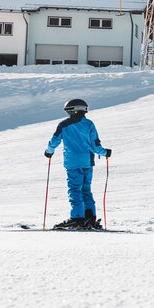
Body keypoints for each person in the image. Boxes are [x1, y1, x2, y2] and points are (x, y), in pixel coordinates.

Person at [44, 98, 111, 230]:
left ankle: (77, 218)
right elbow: (95, 144)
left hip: (73, 162)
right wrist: (105, 153)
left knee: (75, 189)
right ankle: (90, 217)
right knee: (86, 190)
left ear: (72, 110)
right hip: (87, 162)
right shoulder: (89, 124)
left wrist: (49, 151)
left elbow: (54, 140)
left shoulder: (64, 125)